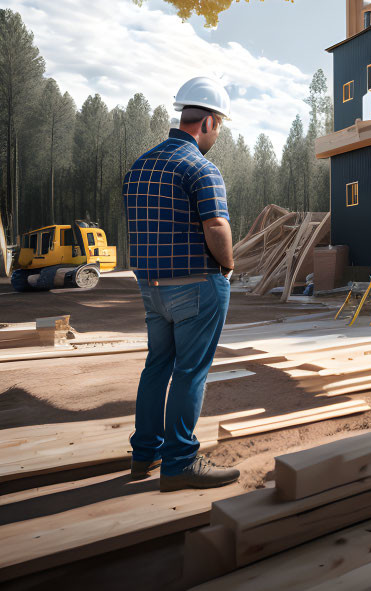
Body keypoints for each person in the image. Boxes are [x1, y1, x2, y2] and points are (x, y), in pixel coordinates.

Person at [122, 76, 240, 491]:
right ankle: (180, 463)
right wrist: (227, 265)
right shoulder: (201, 167)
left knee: (157, 367)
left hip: (151, 287)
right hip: (196, 285)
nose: (218, 134)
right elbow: (216, 226)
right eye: (219, 126)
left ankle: (145, 455)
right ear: (207, 121)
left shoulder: (139, 166)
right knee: (190, 373)